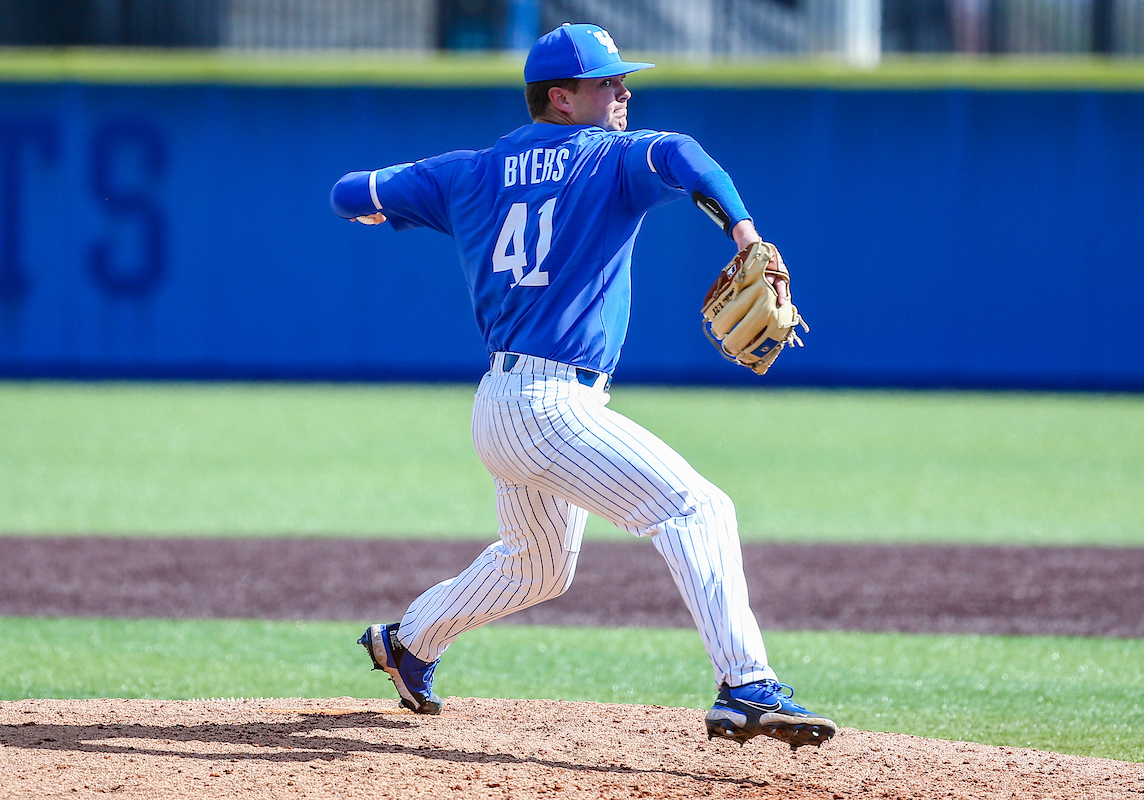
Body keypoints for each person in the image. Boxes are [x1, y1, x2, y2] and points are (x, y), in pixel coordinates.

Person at [330, 22, 836, 750]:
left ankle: (407, 643)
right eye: (608, 82)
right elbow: (682, 154)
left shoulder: (467, 171)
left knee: (537, 567)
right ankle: (746, 685)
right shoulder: (609, 160)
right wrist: (746, 234)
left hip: (503, 406)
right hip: (549, 407)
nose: (624, 91)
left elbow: (350, 192)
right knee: (696, 508)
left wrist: (393, 200)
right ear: (562, 99)